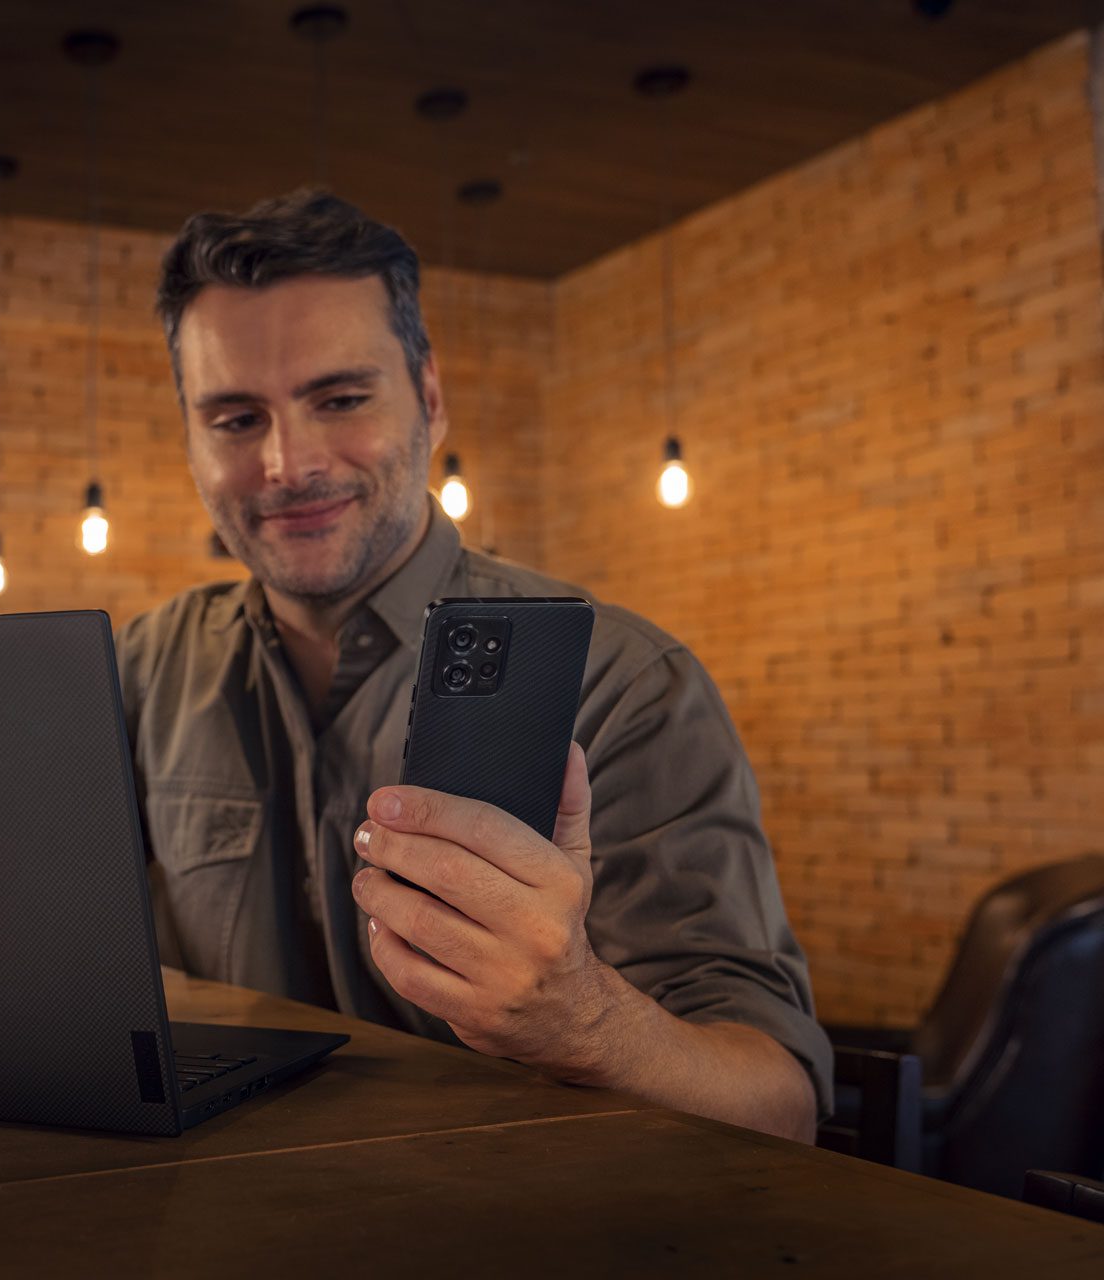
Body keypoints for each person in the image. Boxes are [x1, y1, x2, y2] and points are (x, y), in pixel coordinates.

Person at [116, 189, 831, 1142]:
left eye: (340, 398)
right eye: (236, 419)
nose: (287, 464)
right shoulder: (141, 666)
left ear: (431, 397)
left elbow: (780, 1105)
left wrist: (580, 1018)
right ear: (191, 440)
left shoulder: (624, 682)